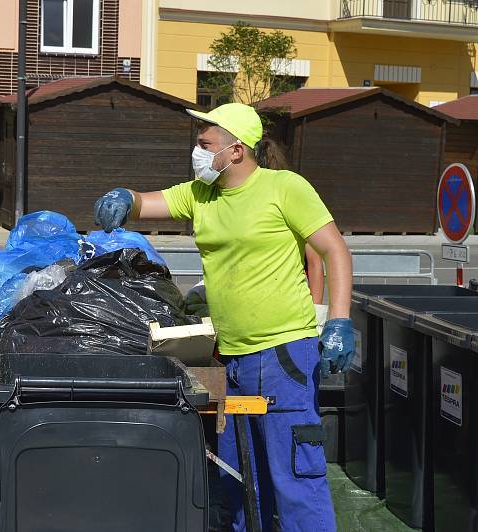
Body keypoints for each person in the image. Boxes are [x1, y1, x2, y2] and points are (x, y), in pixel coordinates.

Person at [93, 102, 354, 532]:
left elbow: (333, 250)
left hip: (283, 354)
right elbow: (147, 202)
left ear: (236, 150)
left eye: (204, 143)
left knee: (294, 476)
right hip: (231, 358)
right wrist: (124, 197)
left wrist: (338, 320)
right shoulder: (201, 194)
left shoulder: (283, 187)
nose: (196, 152)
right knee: (238, 478)